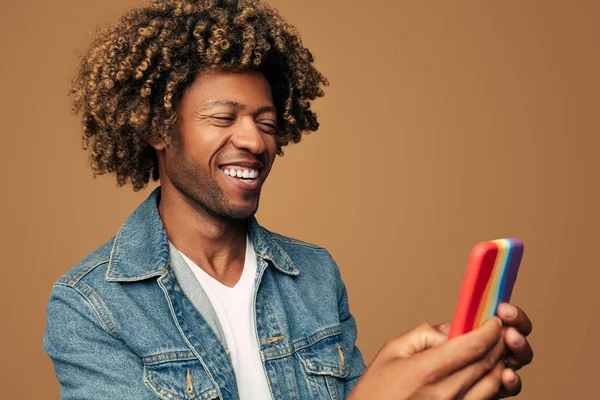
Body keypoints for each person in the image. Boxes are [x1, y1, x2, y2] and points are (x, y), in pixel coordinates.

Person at [44, 0, 534, 399]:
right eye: (223, 118)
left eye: (266, 121)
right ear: (158, 128)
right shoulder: (90, 307)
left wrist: (440, 376)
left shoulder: (315, 274)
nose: (255, 142)